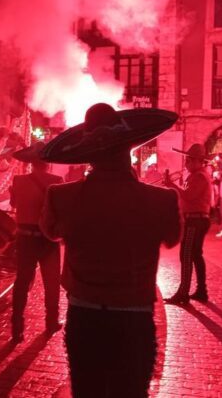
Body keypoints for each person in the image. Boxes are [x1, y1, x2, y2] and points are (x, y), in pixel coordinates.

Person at [40, 103, 181, 397]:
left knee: (87, 391)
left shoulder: (62, 197)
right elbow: (172, 238)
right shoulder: (161, 200)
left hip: (84, 316)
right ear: (129, 148)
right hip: (134, 318)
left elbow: (50, 232)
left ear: (88, 152)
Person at [9, 142, 64, 343]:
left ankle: (17, 327)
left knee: (22, 281)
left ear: (31, 162)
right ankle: (51, 322)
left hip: (24, 237)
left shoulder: (18, 181)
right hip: (48, 238)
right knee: (51, 283)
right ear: (47, 163)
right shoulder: (57, 181)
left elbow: (14, 204)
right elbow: (60, 211)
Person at [164, 144, 213, 305]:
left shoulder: (199, 176)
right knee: (195, 256)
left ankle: (183, 293)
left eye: (190, 160)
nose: (187, 163)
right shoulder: (195, 175)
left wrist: (172, 186)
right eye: (187, 160)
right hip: (195, 219)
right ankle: (201, 290)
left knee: (186, 256)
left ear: (199, 161)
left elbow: (189, 196)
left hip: (195, 220)